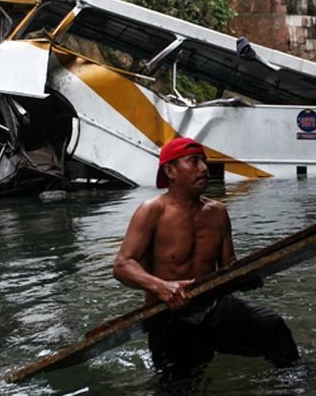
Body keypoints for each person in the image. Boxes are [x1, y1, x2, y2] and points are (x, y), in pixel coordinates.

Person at [113, 137, 299, 372]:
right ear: (170, 170)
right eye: (194, 162)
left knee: (272, 327)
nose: (204, 168)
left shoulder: (217, 212)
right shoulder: (152, 211)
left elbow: (228, 268)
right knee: (180, 382)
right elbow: (122, 266)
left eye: (204, 161)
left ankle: (297, 385)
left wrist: (246, 278)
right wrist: (161, 287)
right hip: (169, 318)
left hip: (215, 308)